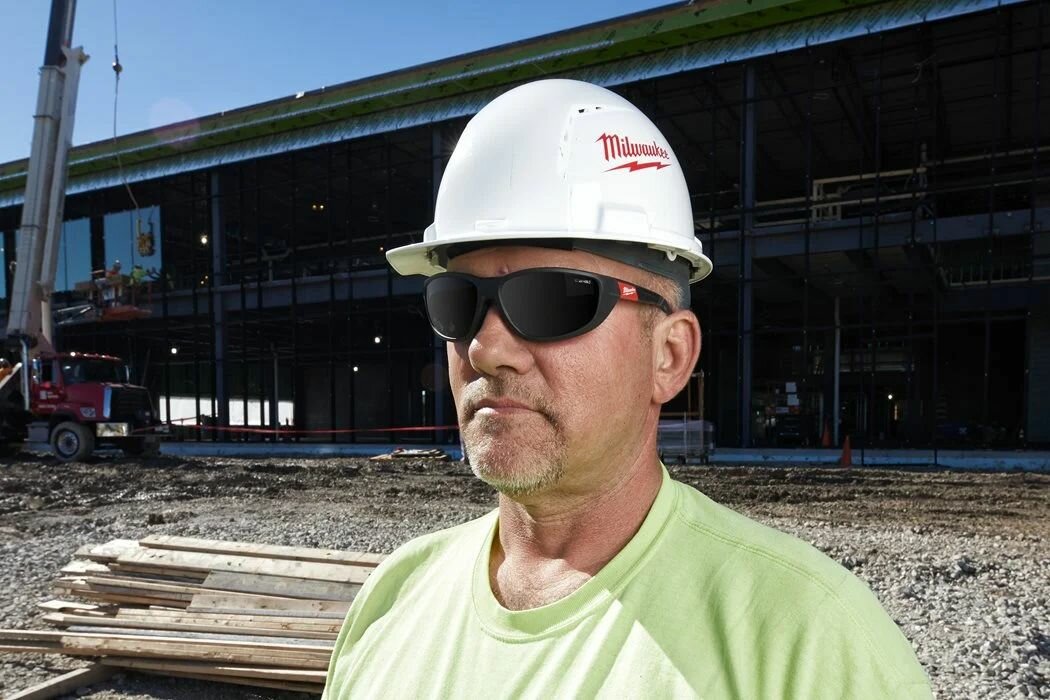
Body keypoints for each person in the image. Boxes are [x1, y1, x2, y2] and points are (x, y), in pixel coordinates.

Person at [323, 80, 931, 699]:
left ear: (669, 355)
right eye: (458, 303)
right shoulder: (391, 603)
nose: (485, 347)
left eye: (552, 300)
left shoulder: (809, 644)